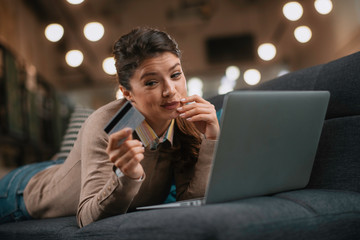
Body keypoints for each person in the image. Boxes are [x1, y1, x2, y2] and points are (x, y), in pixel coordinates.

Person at [0, 27, 220, 227]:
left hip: (64, 170)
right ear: (127, 93)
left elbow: (192, 201)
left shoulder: (186, 120)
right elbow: (86, 218)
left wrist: (211, 139)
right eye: (151, 82)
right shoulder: (113, 124)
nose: (170, 90)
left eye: (175, 74)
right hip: (21, 194)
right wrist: (127, 176)